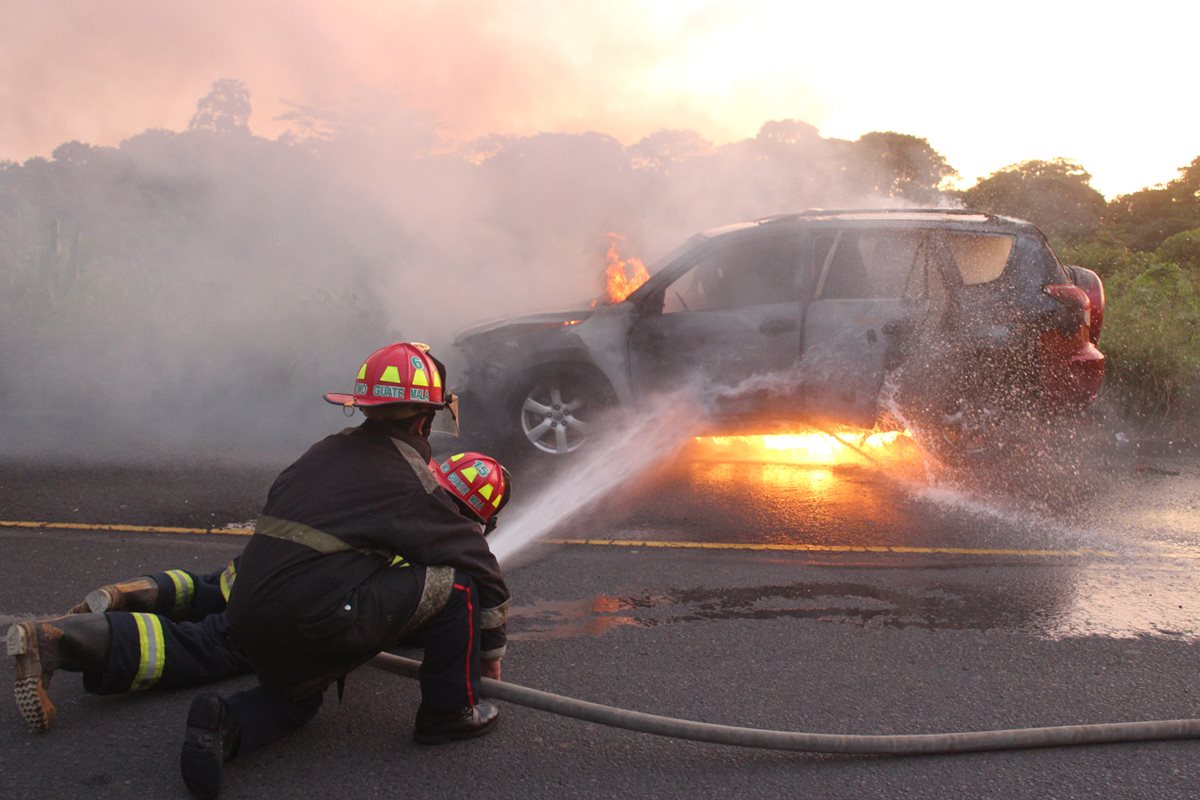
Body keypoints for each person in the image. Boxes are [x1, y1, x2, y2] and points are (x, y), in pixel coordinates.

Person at [179, 341, 512, 800]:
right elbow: (474, 560)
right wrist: (489, 651)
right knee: (458, 588)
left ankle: (225, 723)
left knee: (294, 703)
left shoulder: (321, 453)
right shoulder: (406, 477)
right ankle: (449, 714)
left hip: (247, 614)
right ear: (423, 418)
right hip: (316, 617)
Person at [6, 446, 510, 737]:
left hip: (270, 561)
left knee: (210, 589)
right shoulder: (442, 537)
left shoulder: (392, 490)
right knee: (203, 646)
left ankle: (139, 592)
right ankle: (58, 640)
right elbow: (418, 607)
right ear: (477, 519)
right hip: (297, 604)